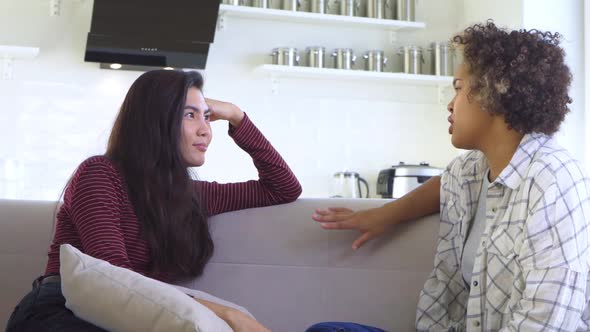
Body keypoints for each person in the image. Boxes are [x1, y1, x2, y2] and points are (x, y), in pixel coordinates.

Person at [307, 21, 590, 331]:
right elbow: (444, 184)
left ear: (493, 94)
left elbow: (546, 323)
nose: (450, 103)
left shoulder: (554, 181)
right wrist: (384, 215)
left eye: (458, 88)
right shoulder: (471, 170)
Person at [5, 70, 302, 332]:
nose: (206, 130)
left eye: (207, 116)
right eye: (190, 115)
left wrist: (237, 116)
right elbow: (115, 277)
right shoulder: (99, 174)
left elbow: (283, 187)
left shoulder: (190, 194)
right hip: (61, 312)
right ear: (155, 120)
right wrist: (228, 315)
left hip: (136, 315)